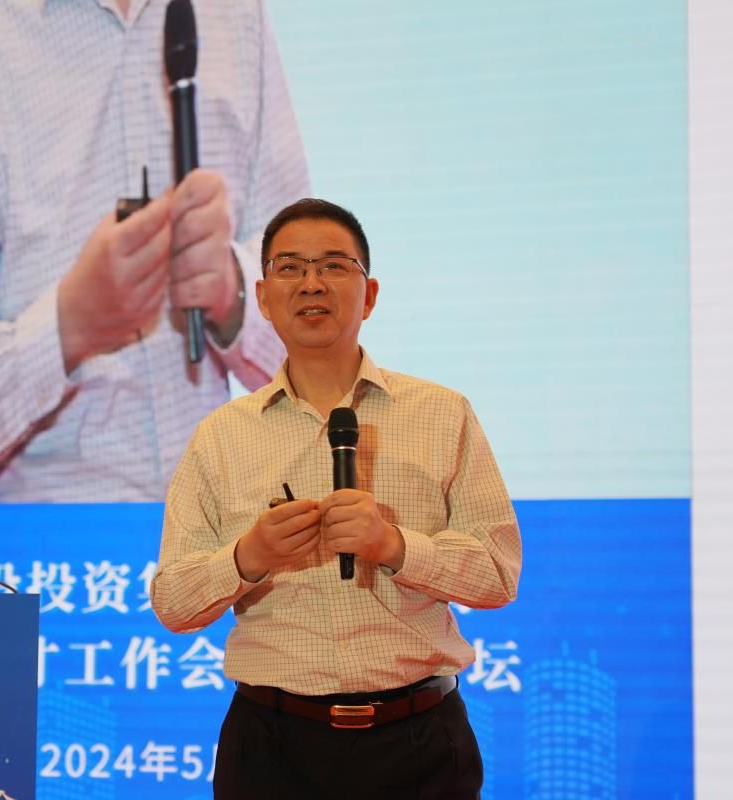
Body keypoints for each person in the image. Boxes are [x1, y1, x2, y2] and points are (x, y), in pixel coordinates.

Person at [151, 198, 522, 798]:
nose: (312, 283)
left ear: (369, 295)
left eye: (333, 266)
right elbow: (173, 603)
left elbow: (499, 574)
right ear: (263, 297)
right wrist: (248, 557)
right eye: (290, 267)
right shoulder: (221, 436)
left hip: (419, 741)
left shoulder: (442, 414)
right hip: (271, 747)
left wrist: (395, 546)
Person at [0, 0, 308, 502]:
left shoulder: (234, 15)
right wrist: (71, 325)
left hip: (225, 533)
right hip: (62, 542)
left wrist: (233, 293)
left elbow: (323, 354)